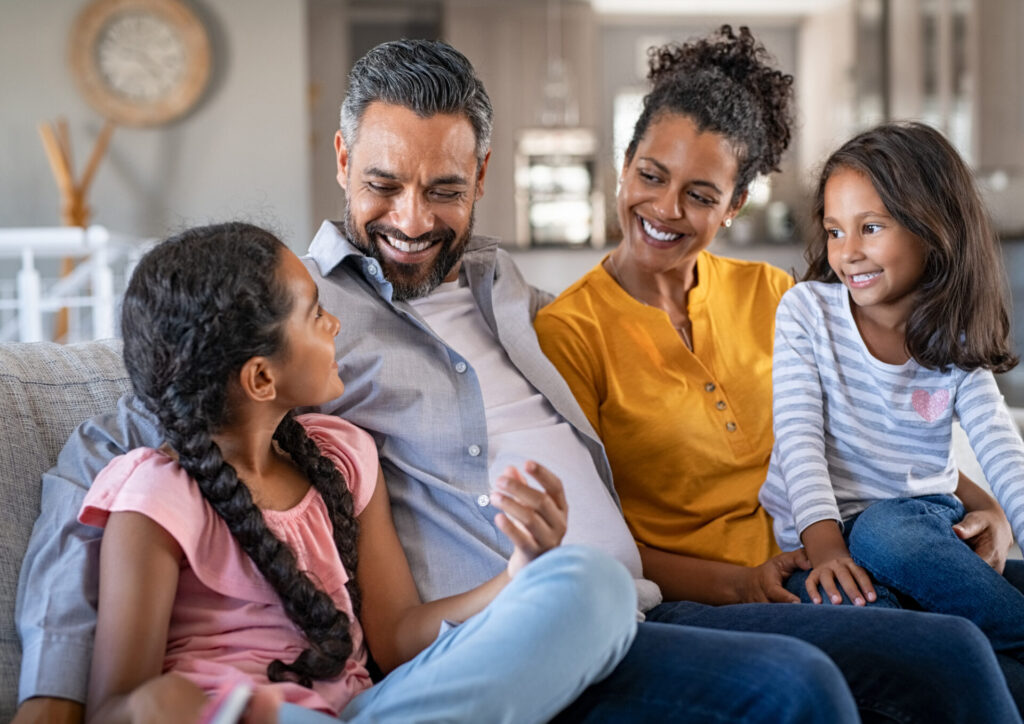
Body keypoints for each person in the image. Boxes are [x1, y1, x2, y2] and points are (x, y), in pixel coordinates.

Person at [10, 37, 1010, 724]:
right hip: (504, 630)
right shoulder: (286, 316)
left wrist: (960, 492)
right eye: (383, 184)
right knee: (796, 688)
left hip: (647, 598)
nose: (411, 217)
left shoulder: (504, 285)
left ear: (482, 176)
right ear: (341, 156)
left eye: (443, 188)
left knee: (952, 655)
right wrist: (54, 701)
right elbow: (108, 453)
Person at [534, 25, 1024, 720]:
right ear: (624, 166)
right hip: (708, 599)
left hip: (839, 556)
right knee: (954, 652)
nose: (666, 208)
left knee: (998, 624)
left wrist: (986, 506)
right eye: (650, 175)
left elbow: (873, 422)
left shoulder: (772, 294)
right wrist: (743, 583)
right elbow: (597, 543)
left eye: (701, 194)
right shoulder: (567, 334)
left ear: (734, 207)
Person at [78, 221, 637, 723]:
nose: (336, 323)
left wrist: (519, 574)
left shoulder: (343, 458)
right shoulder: (157, 496)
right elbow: (114, 706)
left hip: (371, 711)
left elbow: (395, 639)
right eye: (316, 314)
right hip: (243, 715)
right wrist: (172, 707)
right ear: (261, 380)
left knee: (594, 584)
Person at [758, 121, 1024, 664]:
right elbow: (798, 439)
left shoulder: (955, 339)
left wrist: (1006, 515)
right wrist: (826, 548)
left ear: (934, 229)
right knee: (916, 648)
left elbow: (1002, 449)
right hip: (822, 542)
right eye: (835, 231)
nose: (848, 251)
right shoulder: (807, 313)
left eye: (871, 227)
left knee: (884, 530)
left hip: (912, 530)